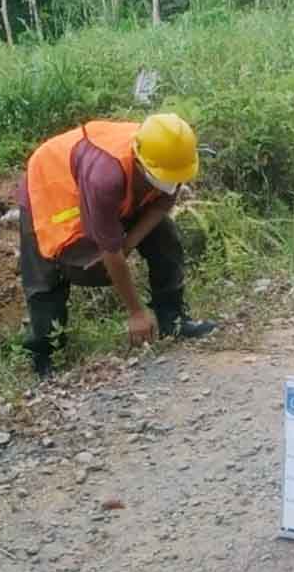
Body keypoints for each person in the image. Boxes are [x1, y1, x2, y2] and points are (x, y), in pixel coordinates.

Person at [17, 114, 215, 377]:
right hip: (52, 184)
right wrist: (136, 313)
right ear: (140, 160)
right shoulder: (106, 177)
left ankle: (173, 320)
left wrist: (129, 242)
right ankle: (45, 357)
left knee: (164, 234)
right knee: (47, 272)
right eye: (165, 177)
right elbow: (109, 251)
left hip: (102, 182)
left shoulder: (171, 155)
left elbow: (163, 203)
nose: (172, 183)